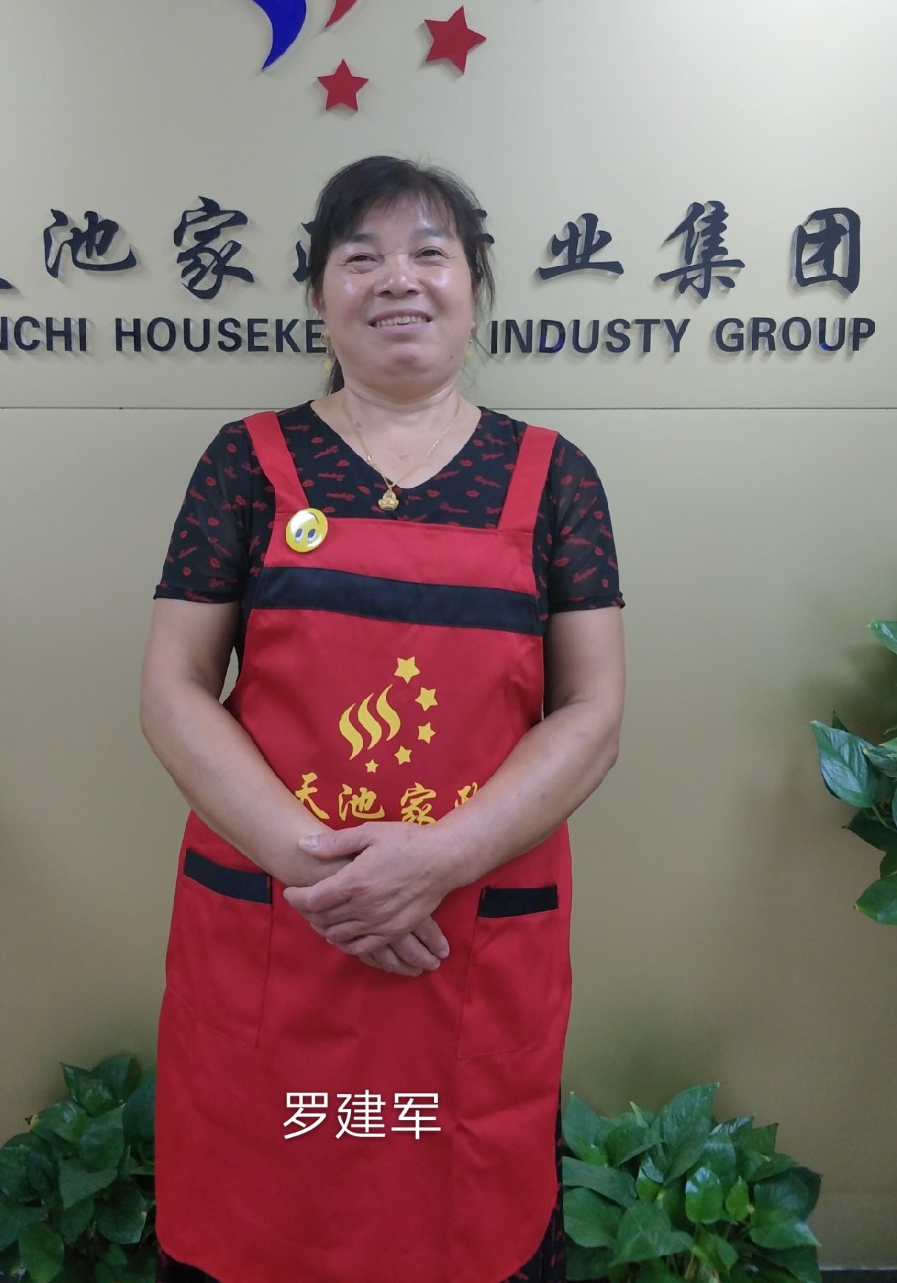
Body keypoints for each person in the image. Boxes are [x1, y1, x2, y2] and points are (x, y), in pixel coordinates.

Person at [141, 156, 625, 1283]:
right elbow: (173, 689)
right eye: (361, 256)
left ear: (474, 288)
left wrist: (438, 858)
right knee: (259, 1217)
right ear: (319, 295)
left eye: (429, 253)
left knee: (462, 1216)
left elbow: (592, 713)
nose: (397, 278)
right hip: (280, 925)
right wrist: (325, 877)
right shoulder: (245, 464)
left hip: (467, 929)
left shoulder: (555, 478)